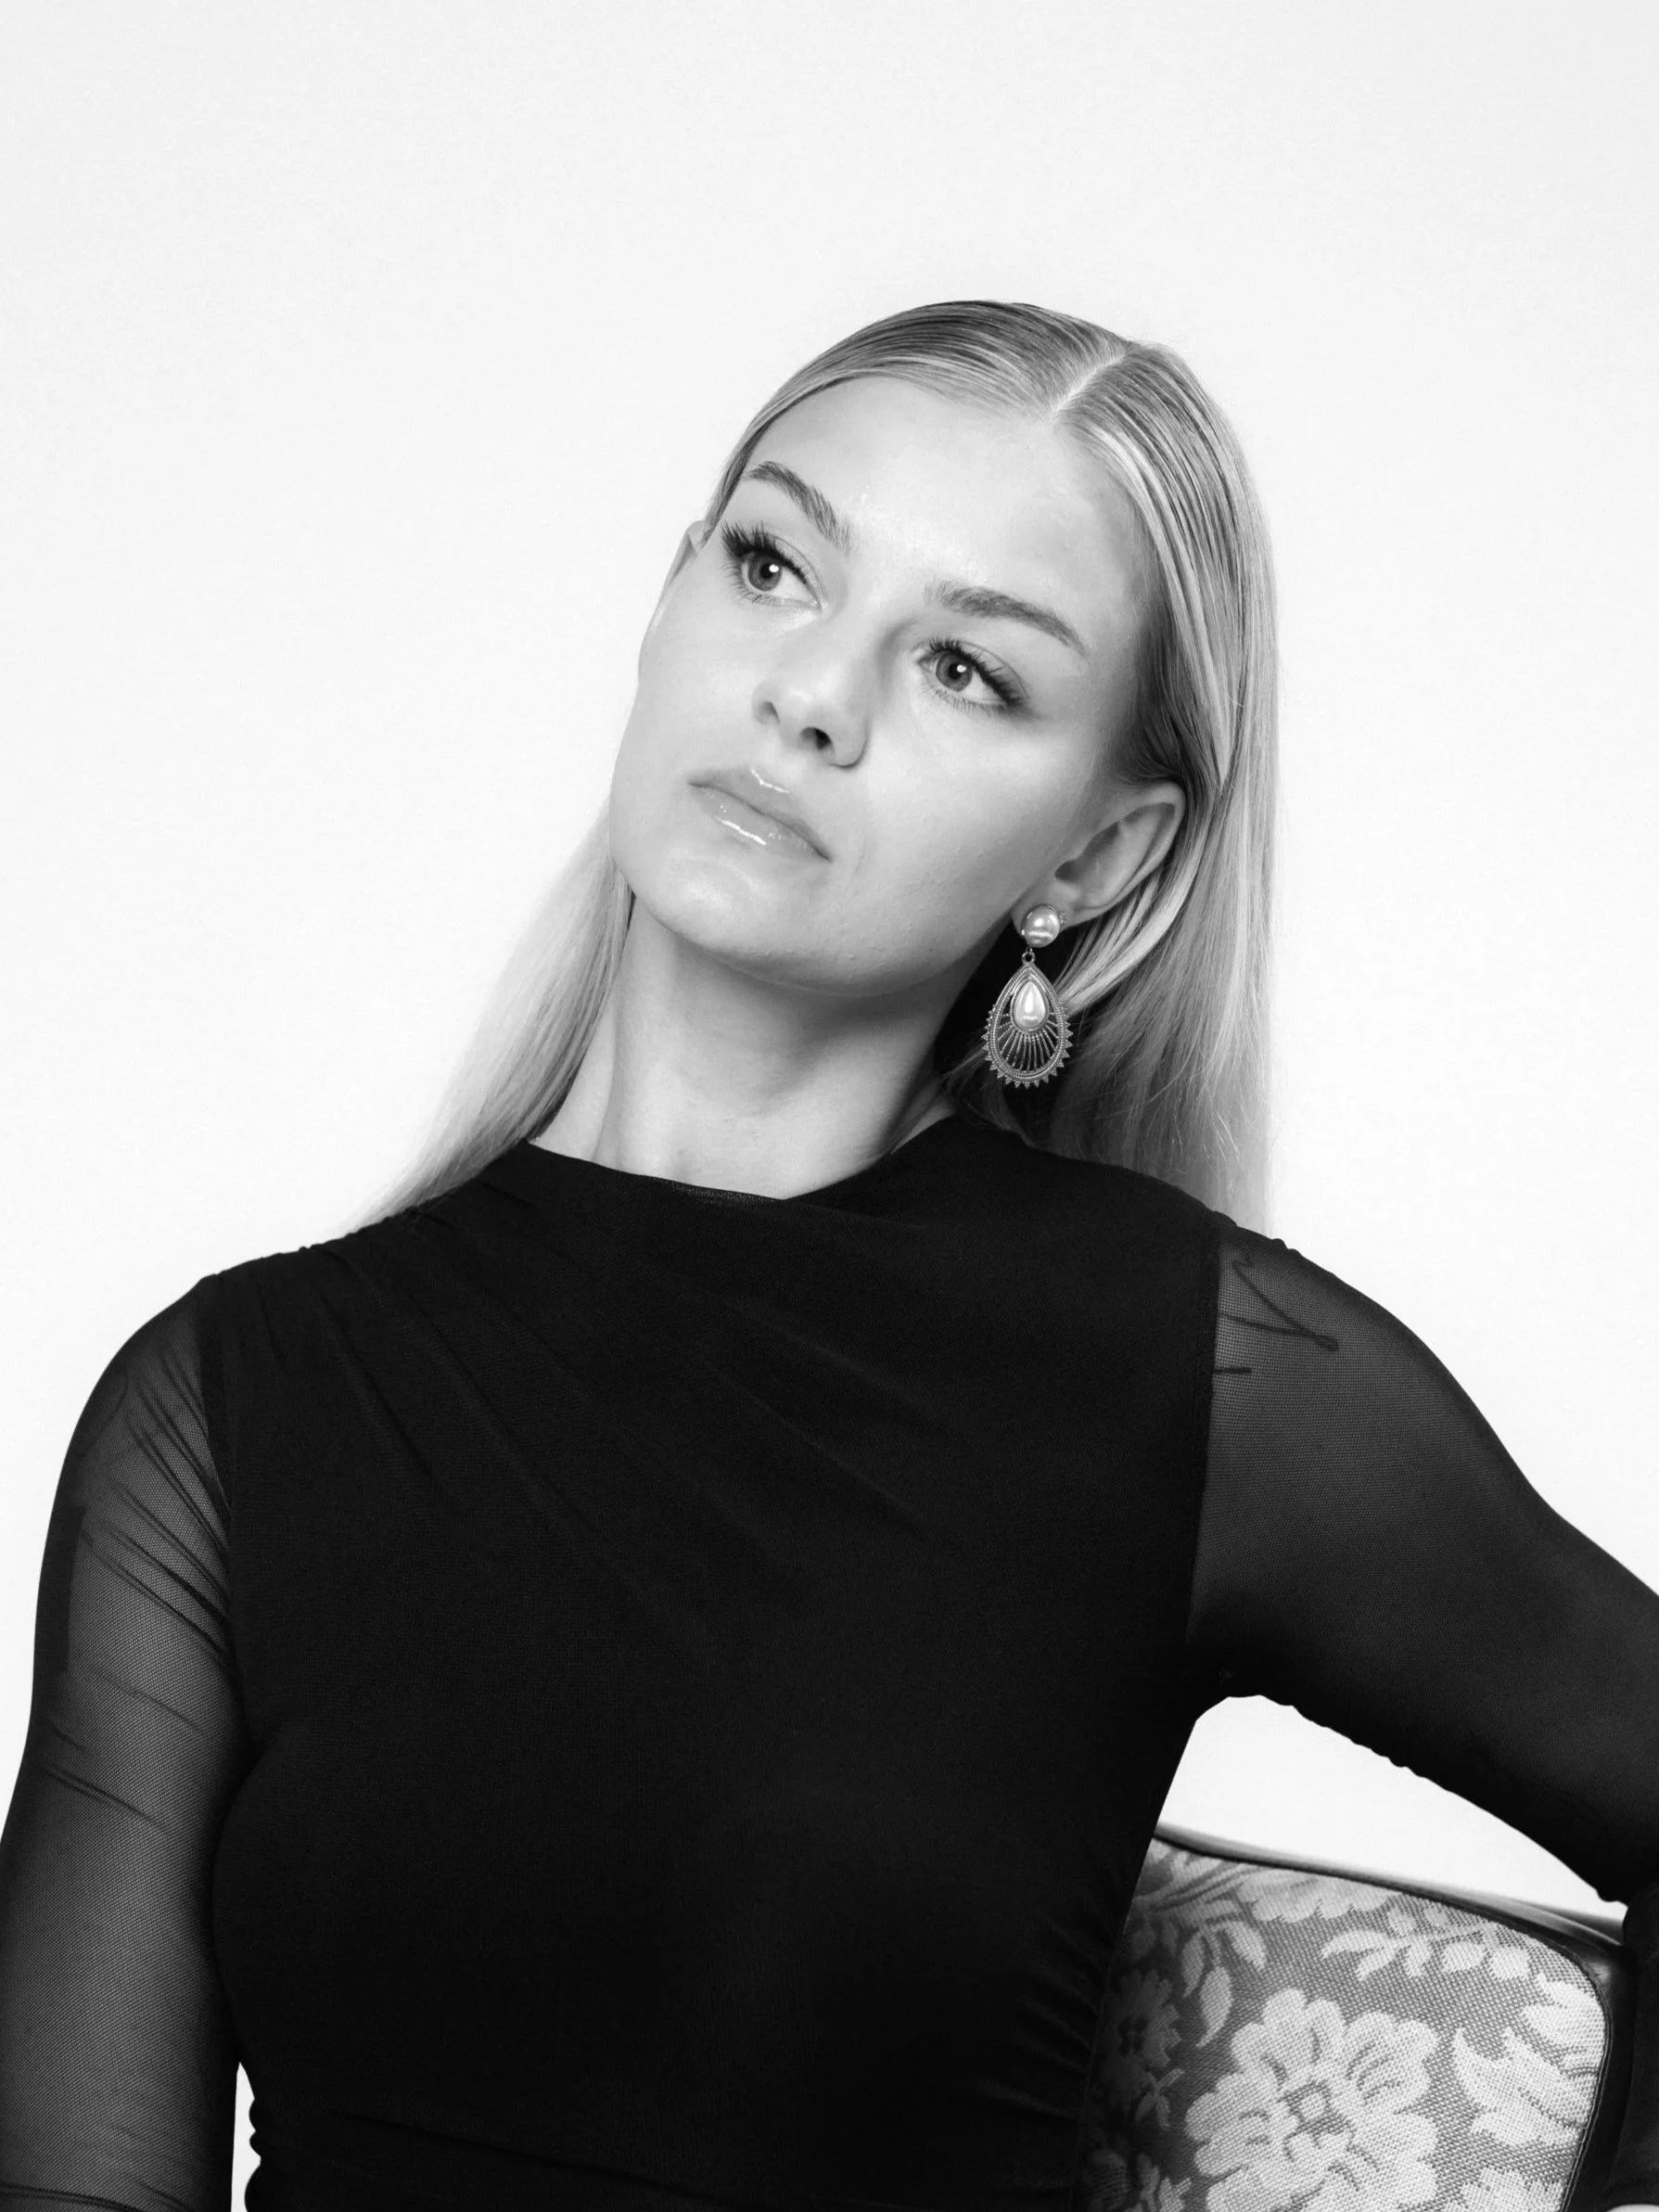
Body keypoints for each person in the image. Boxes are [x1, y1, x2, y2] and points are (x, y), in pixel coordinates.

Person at [1, 298, 1656, 2212]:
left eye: (964, 667)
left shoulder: (1198, 1384)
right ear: (666, 606)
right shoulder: (218, 1414)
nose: (814, 697)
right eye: (774, 562)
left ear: (1095, 860)